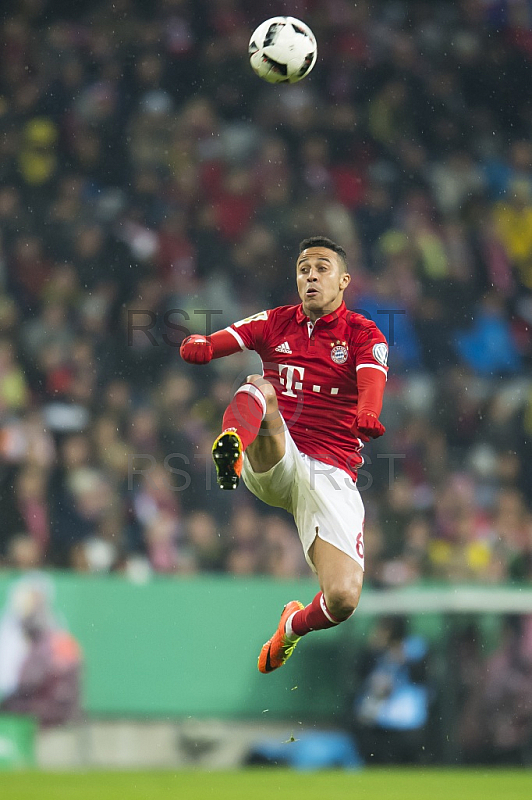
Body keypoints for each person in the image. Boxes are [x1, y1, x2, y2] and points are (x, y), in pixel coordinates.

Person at [180, 236, 388, 673]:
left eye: (321, 268)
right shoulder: (276, 321)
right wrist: (203, 345)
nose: (310, 275)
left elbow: (371, 376)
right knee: (260, 385)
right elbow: (227, 339)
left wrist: (369, 410)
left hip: (331, 473)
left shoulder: (363, 333)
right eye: (303, 268)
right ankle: (232, 450)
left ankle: (290, 627)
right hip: (279, 455)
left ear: (344, 280)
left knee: (345, 599)